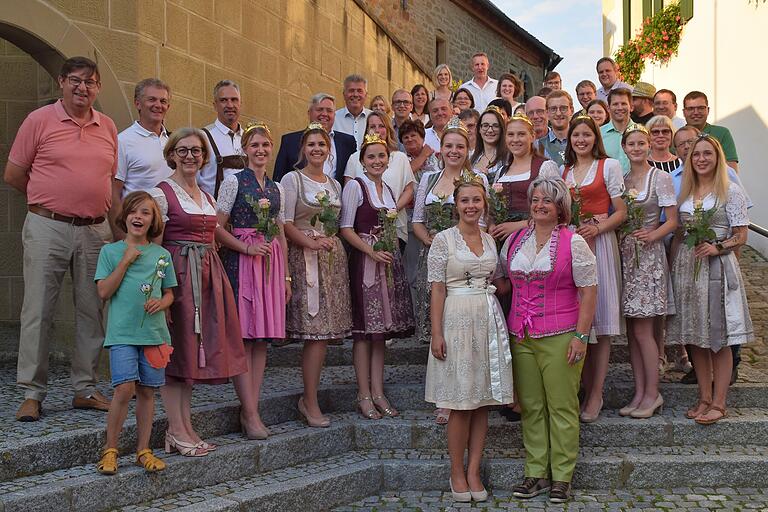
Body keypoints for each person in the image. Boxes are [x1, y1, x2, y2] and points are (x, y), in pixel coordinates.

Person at [6, 56, 118, 422]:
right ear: (61, 82)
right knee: (38, 309)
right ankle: (32, 392)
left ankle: (84, 388)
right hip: (47, 226)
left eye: (90, 81)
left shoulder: (108, 127)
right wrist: (47, 200)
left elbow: (109, 181)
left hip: (95, 229)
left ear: (97, 87)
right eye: (75, 80)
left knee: (91, 311)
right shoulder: (39, 121)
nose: (82, 87)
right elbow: (14, 174)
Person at [150, 128, 247, 456]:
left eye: (196, 150)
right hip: (178, 280)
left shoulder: (206, 196)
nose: (190, 155)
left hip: (206, 281)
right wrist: (161, 293)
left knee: (189, 355)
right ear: (172, 154)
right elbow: (154, 248)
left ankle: (184, 426)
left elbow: (215, 237)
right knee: (174, 356)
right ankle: (176, 429)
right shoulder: (161, 194)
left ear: (205, 157)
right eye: (183, 150)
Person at [501, 176, 597, 504]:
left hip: (562, 334)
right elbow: (503, 282)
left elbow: (588, 292)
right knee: (530, 407)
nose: (539, 205)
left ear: (561, 209)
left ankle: (562, 476)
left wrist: (581, 337)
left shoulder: (574, 242)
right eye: (535, 199)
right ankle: (535, 472)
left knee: (561, 406)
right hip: (521, 336)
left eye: (547, 200)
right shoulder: (515, 241)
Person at [425, 174, 513, 503]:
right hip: (456, 319)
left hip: (487, 318)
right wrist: (437, 332)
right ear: (456, 205)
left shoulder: (490, 240)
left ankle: (474, 469)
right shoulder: (444, 240)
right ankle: (456, 471)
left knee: (483, 403)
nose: (471, 206)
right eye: (465, 200)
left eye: (477, 200)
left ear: (484, 204)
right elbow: (436, 288)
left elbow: (498, 279)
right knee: (461, 403)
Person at [667, 135, 753, 424]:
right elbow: (679, 234)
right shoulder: (686, 193)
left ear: (717, 158)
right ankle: (704, 397)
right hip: (688, 268)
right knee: (695, 337)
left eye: (707, 154)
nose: (701, 159)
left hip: (717, 267)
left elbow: (741, 234)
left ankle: (720, 400)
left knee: (720, 337)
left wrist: (718, 247)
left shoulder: (731, 191)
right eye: (696, 155)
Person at [216, 122, 289, 440]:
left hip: (269, 265)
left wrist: (286, 276)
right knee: (245, 338)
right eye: (255, 145)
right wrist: (245, 246)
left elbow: (281, 232)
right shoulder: (233, 182)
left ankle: (252, 407)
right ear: (245, 149)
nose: (260, 150)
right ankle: (249, 412)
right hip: (243, 262)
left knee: (261, 340)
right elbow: (216, 228)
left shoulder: (277, 188)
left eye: (265, 145)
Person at [95, 191, 176, 474]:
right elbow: (103, 291)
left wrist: (162, 302)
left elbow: (169, 295)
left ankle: (143, 450)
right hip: (122, 334)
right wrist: (126, 261)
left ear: (153, 220)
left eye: (145, 213)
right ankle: (110, 450)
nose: (138, 217)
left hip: (154, 335)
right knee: (124, 388)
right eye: (134, 211)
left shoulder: (162, 255)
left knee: (147, 392)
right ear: (125, 216)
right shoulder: (111, 252)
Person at [412, 118, 488, 423]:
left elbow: (482, 223)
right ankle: (443, 392)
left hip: (464, 261)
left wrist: (458, 245)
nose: (453, 150)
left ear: (468, 149)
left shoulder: (476, 179)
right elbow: (416, 219)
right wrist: (430, 240)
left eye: (460, 146)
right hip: (432, 256)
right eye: (448, 145)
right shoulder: (428, 180)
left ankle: (467, 388)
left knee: (463, 327)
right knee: (438, 325)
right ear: (440, 149)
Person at [281, 123, 352, 427]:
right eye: (311, 145)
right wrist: (310, 241)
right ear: (303, 149)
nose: (317, 150)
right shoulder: (292, 179)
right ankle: (309, 400)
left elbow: (337, 225)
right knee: (314, 335)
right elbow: (284, 223)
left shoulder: (334, 185)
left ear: (329, 150)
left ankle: (310, 397)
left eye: (321, 145)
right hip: (304, 258)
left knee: (323, 336)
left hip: (330, 260)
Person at [341, 133, 415, 419]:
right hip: (365, 263)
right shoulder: (355, 188)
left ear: (388, 160)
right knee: (364, 332)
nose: (376, 161)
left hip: (385, 262)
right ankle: (363, 393)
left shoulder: (387, 189)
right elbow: (346, 228)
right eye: (371, 156)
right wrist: (370, 252)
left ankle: (379, 391)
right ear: (362, 161)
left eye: (381, 156)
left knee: (380, 334)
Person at [562, 114, 627, 423]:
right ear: (570, 140)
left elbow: (622, 212)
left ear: (595, 138)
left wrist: (598, 229)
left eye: (587, 134)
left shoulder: (609, 166)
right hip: (571, 247)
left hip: (598, 245)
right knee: (579, 322)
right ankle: (580, 388)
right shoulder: (565, 171)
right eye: (576, 135)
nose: (581, 140)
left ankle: (597, 392)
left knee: (599, 320)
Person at [617, 126, 677, 419]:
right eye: (632, 143)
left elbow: (673, 221)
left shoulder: (661, 177)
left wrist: (652, 235)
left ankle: (653, 393)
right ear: (625, 148)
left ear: (649, 144)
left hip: (648, 258)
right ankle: (639, 392)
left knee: (644, 330)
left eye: (642, 142)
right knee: (632, 332)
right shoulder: (624, 179)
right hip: (627, 257)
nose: (638, 147)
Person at [343, 110, 417, 247]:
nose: (377, 130)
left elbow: (409, 189)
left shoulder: (399, 157)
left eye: (381, 126)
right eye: (372, 126)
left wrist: (392, 211)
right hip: (364, 232)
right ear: (366, 130)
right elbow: (348, 193)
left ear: (388, 129)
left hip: (395, 227)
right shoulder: (355, 158)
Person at [112, 78, 172, 238]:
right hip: (139, 232)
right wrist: (121, 237)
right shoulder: (123, 141)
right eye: (151, 99)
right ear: (138, 103)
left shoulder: (173, 142)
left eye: (163, 101)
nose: (158, 105)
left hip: (171, 231)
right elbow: (114, 193)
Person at [489, 114, 560, 242]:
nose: (515, 139)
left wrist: (520, 225)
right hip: (503, 240)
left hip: (535, 237)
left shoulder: (545, 167)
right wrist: (492, 225)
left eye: (521, 134)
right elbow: (492, 210)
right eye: (510, 134)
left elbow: (557, 209)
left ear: (532, 137)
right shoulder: (501, 172)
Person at [272, 93, 357, 183]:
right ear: (309, 113)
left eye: (329, 110)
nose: (324, 114)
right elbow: (278, 179)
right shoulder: (290, 141)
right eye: (319, 109)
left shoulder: (348, 142)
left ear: (334, 115)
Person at [198, 80, 246, 197]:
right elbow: (191, 180)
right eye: (224, 100)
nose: (230, 105)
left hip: (246, 212)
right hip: (213, 211)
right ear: (215, 105)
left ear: (240, 104)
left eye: (234, 100)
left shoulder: (249, 138)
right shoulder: (202, 137)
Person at [682, 91, 739, 170]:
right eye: (691, 109)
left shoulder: (722, 133)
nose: (696, 112)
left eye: (701, 108)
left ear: (708, 110)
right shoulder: (678, 137)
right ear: (684, 112)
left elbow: (731, 169)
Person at [601, 88, 636, 173]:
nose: (619, 108)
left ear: (631, 107)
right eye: (615, 104)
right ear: (608, 108)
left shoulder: (642, 132)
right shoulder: (599, 134)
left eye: (623, 104)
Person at [333, 74, 372, 148]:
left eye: (359, 91)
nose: (355, 94)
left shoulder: (374, 118)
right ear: (344, 94)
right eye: (351, 91)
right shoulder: (334, 119)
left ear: (366, 95)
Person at [470, 106, 508, 183]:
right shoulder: (472, 157)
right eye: (485, 125)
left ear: (501, 129)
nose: (490, 130)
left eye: (495, 126)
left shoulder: (508, 157)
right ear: (479, 129)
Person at [537, 90, 574, 166]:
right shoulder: (538, 146)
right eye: (553, 109)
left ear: (572, 110)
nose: (558, 113)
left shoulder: (581, 142)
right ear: (547, 113)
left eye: (563, 108)